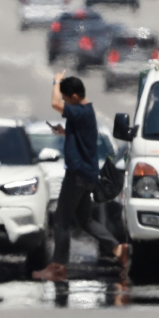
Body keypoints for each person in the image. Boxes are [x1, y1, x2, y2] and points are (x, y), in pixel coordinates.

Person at [32, 72, 129, 282]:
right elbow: (83, 137)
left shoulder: (80, 111)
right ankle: (118, 250)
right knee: (85, 220)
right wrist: (65, 133)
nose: (65, 103)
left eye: (67, 98)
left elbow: (55, 104)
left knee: (61, 220)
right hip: (88, 175)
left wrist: (56, 82)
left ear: (74, 97)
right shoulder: (86, 112)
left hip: (76, 175)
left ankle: (58, 267)